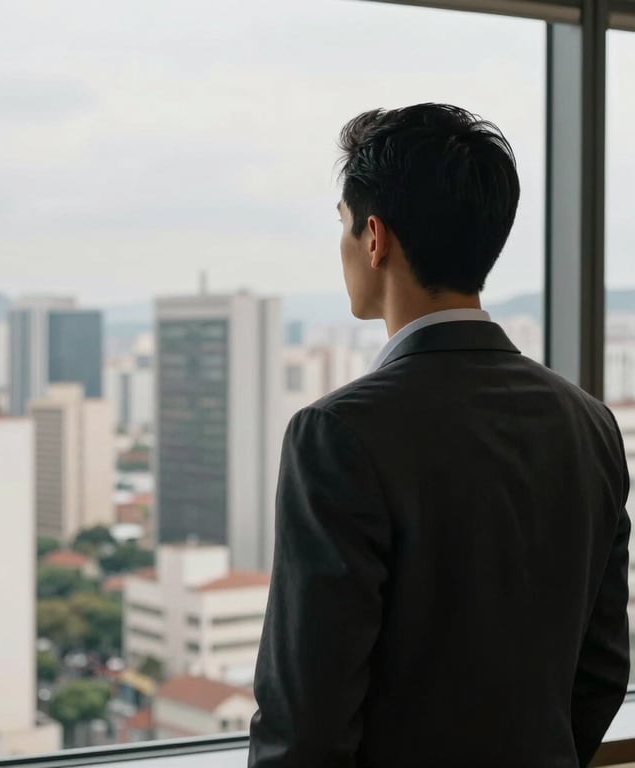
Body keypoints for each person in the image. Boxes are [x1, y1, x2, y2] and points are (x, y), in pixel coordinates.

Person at [248, 103, 630, 768]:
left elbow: (307, 719)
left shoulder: (337, 433)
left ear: (375, 237)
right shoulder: (588, 421)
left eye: (342, 227)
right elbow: (601, 669)